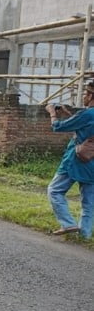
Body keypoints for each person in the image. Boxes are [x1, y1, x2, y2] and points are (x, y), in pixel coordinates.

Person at [45, 81, 94, 239]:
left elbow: (57, 127)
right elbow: (84, 128)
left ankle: (68, 223)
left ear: (92, 96)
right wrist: (68, 115)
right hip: (92, 163)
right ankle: (85, 235)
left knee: (55, 190)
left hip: (75, 161)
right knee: (89, 202)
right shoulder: (86, 115)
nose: (84, 96)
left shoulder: (87, 114)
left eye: (87, 93)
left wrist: (52, 113)